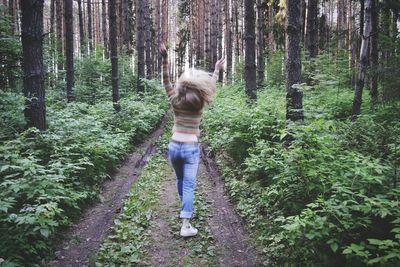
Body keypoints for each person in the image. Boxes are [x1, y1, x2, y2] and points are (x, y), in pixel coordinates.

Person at [160, 43, 225, 237]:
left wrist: (164, 60)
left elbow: (166, 81)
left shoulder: (175, 100)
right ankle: (186, 224)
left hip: (174, 146)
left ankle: (184, 206)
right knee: (188, 184)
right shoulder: (199, 103)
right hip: (190, 147)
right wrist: (216, 70)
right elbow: (211, 86)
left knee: (180, 180)